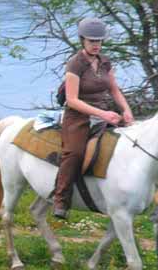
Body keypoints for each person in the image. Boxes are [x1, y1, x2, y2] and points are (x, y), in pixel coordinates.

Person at [52, 17, 135, 219]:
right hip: (78, 116)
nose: (96, 45)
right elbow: (71, 100)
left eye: (99, 41)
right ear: (82, 40)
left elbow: (114, 90)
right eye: (92, 41)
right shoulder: (75, 63)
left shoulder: (105, 62)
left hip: (103, 113)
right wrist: (102, 114)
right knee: (74, 153)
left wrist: (126, 110)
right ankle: (61, 199)